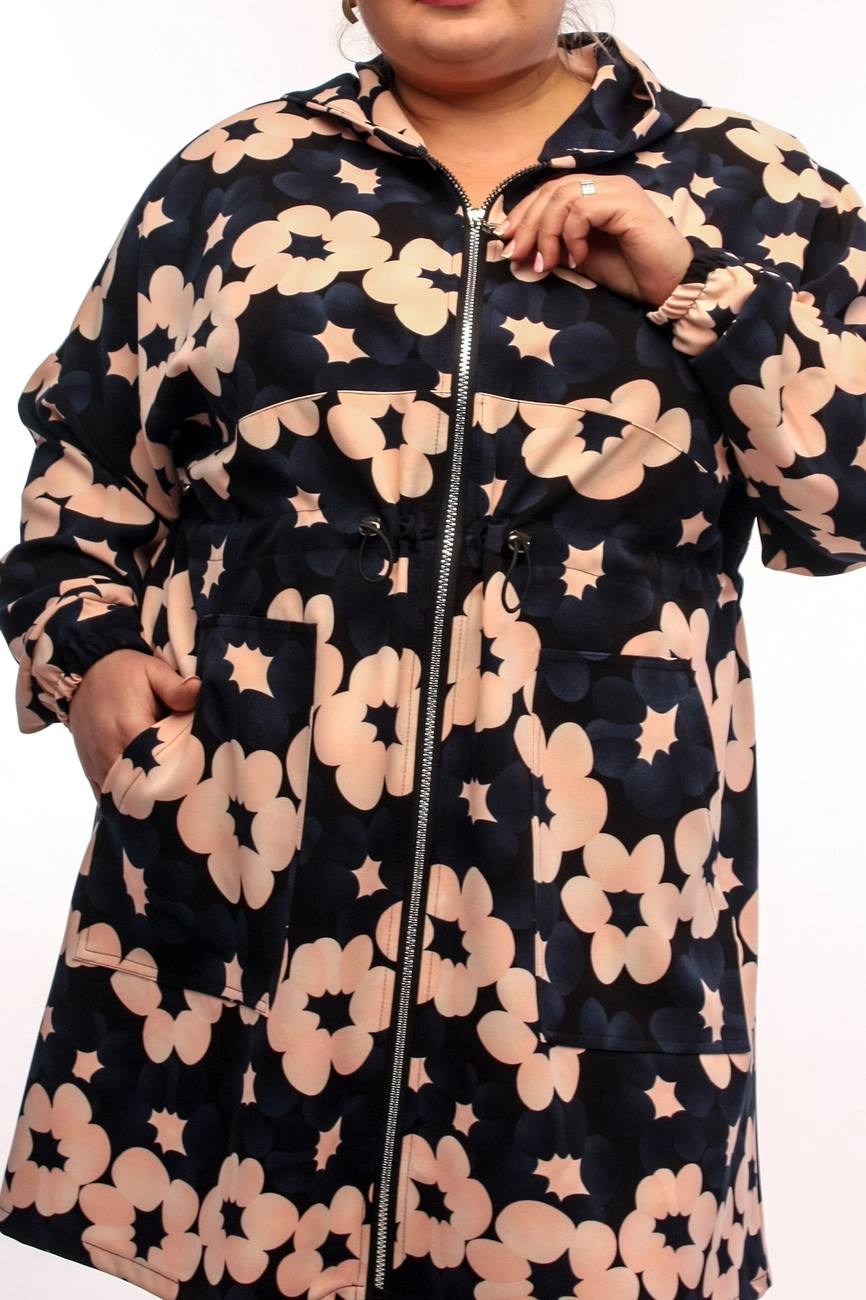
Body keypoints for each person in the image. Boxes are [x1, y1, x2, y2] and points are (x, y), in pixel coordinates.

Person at [1, 0, 864, 1296]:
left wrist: (695, 282)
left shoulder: (755, 190)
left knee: (577, 1243)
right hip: (264, 858)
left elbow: (845, 503)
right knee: (263, 1243)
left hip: (593, 875)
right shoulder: (230, 181)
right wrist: (90, 657)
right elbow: (89, 461)